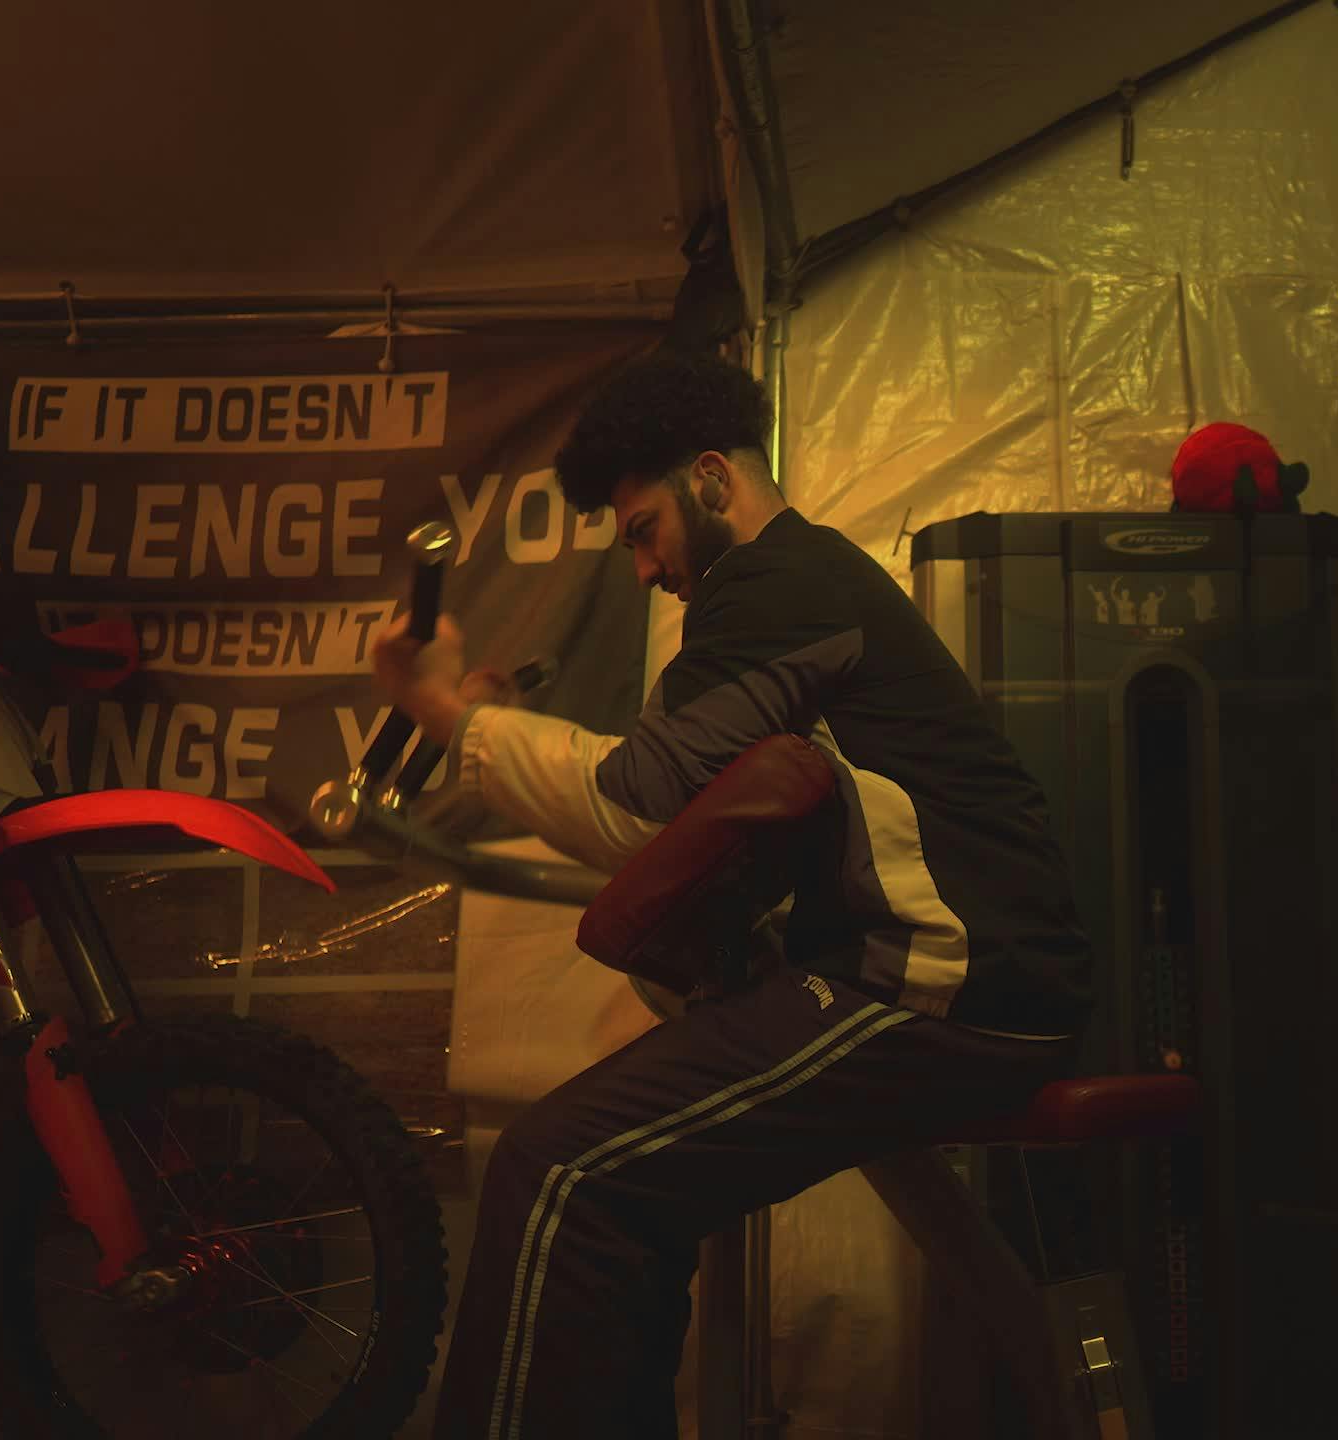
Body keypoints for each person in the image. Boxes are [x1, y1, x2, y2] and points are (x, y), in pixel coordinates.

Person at [371, 348, 1092, 1439]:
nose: (643, 569)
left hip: (941, 984)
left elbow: (632, 808)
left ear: (710, 479)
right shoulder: (788, 591)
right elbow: (682, 807)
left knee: (561, 1173)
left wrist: (451, 718)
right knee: (629, 1194)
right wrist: (490, 725)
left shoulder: (777, 588)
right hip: (936, 976)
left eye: (643, 530)